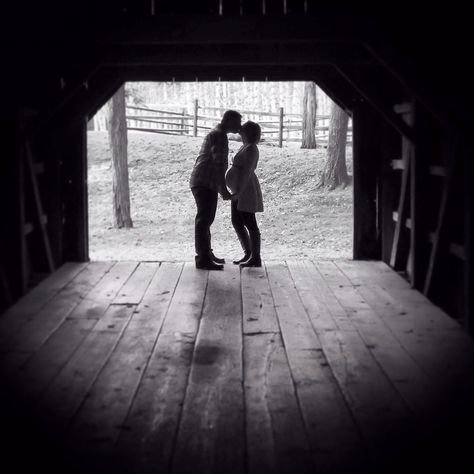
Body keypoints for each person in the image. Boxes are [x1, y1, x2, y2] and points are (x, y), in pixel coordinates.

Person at [189, 109, 242, 270]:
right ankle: (203, 258)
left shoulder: (218, 133)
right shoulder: (219, 136)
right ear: (229, 121)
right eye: (237, 123)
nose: (239, 126)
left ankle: (206, 253)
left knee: (206, 219)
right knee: (204, 220)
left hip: (205, 181)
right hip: (205, 181)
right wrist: (223, 190)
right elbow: (218, 165)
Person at [225, 121, 263, 268]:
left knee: (250, 222)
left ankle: (255, 257)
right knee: (237, 221)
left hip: (245, 189)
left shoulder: (252, 149)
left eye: (242, 132)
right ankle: (248, 252)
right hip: (238, 189)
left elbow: (246, 172)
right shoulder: (246, 146)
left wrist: (239, 192)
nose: (240, 133)